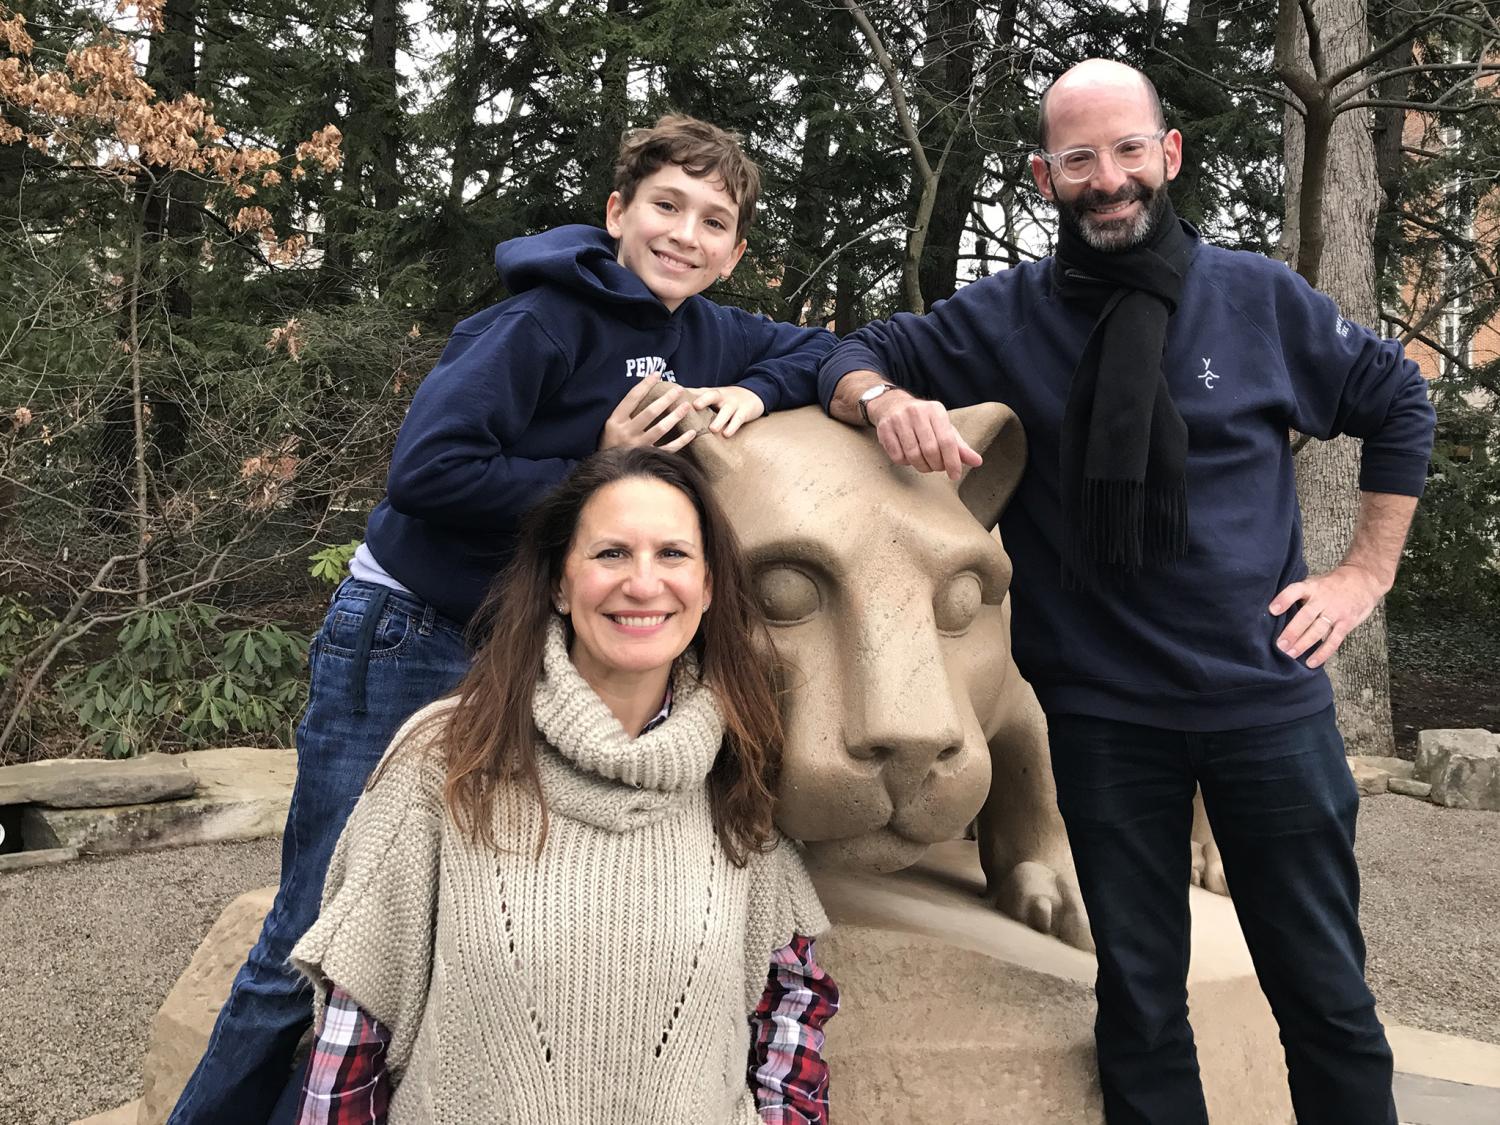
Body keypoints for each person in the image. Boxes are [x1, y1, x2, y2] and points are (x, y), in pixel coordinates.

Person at [170, 115, 836, 1125]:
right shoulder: (541, 322)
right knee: (319, 932)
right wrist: (589, 470)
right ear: (617, 213)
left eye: (714, 221)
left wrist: (751, 389)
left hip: (519, 639)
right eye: (665, 206)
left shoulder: (706, 332)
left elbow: (827, 350)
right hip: (409, 628)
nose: (685, 235)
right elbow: (427, 472)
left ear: (735, 251)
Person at [817, 59, 1434, 1125]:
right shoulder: (1002, 320)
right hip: (1104, 727)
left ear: (1169, 155)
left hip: (1267, 710)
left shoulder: (1260, 300)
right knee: (1141, 1005)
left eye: (1127, 150)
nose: (1108, 179)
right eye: (1079, 158)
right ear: (1044, 175)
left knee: (1326, 999)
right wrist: (878, 400)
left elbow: (1400, 402)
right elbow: (855, 354)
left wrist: (1361, 575)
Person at [290, 447, 836, 1124]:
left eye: (672, 554)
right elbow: (354, 1035)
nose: (643, 583)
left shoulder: (740, 768)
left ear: (710, 584)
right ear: (557, 582)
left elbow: (791, 1008)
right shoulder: (448, 760)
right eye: (610, 553)